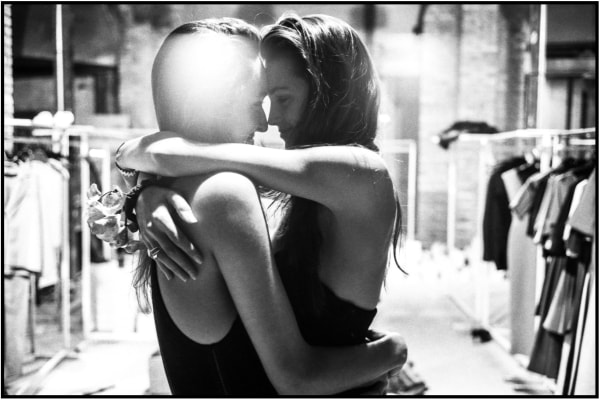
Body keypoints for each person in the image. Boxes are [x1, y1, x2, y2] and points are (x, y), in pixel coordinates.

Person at [113, 18, 406, 396]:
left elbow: (182, 156)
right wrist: (393, 351)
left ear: (327, 97)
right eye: (261, 101)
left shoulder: (358, 172)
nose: (269, 120)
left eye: (281, 99)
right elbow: (292, 374)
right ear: (212, 99)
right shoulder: (227, 193)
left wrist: (137, 167)